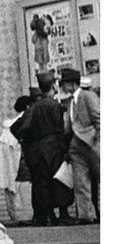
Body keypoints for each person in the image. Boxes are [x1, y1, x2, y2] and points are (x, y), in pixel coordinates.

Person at [12, 71, 73, 226]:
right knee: (61, 180)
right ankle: (63, 214)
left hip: (39, 150)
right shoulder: (54, 105)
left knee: (43, 183)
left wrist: (27, 143)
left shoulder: (34, 107)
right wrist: (65, 148)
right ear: (53, 86)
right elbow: (60, 129)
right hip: (54, 147)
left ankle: (48, 215)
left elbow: (23, 127)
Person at [59, 66, 100, 223]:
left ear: (72, 84)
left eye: (64, 84)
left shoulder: (88, 96)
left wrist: (98, 140)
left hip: (91, 143)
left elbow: (99, 119)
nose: (63, 87)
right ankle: (86, 215)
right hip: (76, 146)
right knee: (80, 182)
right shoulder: (70, 101)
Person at [0, 96, 31, 225]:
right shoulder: (23, 122)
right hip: (23, 165)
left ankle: (19, 215)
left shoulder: (7, 127)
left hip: (12, 167)